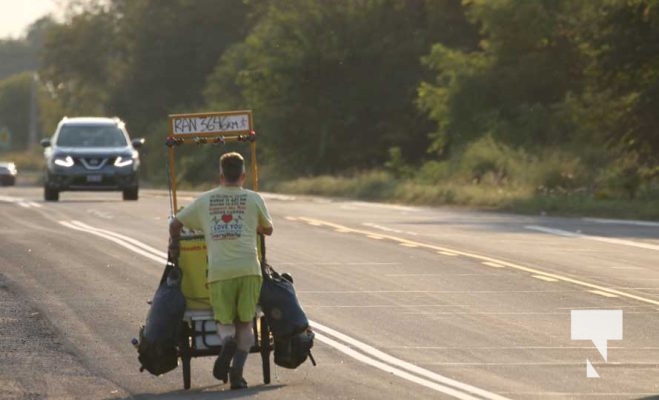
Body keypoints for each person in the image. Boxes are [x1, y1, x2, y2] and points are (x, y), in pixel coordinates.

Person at [168, 152, 273, 390]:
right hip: (249, 269)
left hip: (220, 271)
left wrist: (174, 244)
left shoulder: (205, 200)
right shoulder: (254, 198)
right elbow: (268, 230)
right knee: (246, 324)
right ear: (243, 176)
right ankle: (237, 373)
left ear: (221, 175)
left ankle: (227, 341)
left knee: (225, 321)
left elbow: (175, 225)